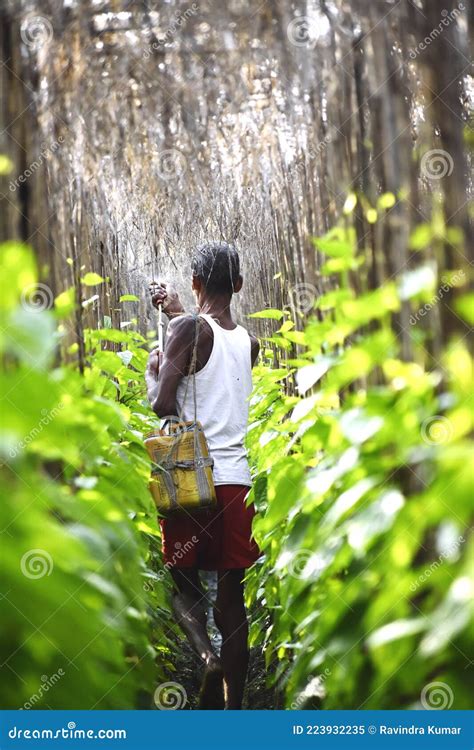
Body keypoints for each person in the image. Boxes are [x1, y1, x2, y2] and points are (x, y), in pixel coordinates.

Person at [145, 242, 260, 710]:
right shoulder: (250, 342)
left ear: (195, 284)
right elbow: (211, 373)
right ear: (237, 285)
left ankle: (207, 658)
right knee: (232, 602)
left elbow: (165, 403)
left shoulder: (189, 328)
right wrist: (176, 315)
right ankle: (235, 710)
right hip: (234, 482)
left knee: (184, 587)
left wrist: (155, 370)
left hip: (190, 481)